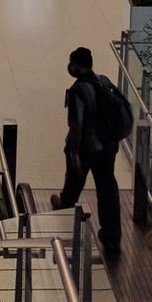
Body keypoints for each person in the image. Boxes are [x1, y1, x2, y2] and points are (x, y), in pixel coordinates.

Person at [48, 46, 125, 259]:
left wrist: (73, 152)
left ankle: (64, 215)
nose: (69, 67)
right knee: (107, 189)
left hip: (86, 148)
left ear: (78, 66)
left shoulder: (77, 91)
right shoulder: (104, 82)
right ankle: (112, 237)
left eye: (71, 63)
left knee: (74, 183)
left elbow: (77, 125)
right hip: (108, 147)